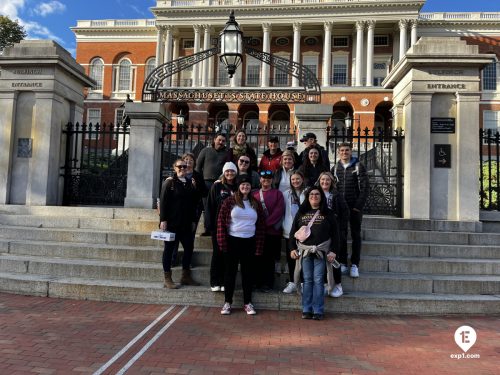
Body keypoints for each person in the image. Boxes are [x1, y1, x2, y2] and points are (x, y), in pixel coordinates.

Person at [217, 175, 265, 315]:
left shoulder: (255, 203)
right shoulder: (229, 201)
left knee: (248, 274)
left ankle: (247, 303)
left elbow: (261, 225)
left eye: (248, 185)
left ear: (251, 187)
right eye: (243, 185)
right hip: (232, 241)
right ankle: (227, 302)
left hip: (249, 241)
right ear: (238, 186)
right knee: (229, 273)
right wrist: (222, 242)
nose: (245, 187)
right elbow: (220, 222)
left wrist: (259, 246)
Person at [289, 187, 339, 320]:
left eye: (317, 194)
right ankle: (306, 309)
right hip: (305, 252)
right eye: (311, 194)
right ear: (307, 197)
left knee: (318, 280)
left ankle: (318, 310)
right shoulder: (301, 212)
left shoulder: (328, 213)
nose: (314, 196)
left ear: (322, 197)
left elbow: (336, 234)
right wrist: (292, 248)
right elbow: (292, 232)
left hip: (320, 252)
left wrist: (333, 251)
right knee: (307, 280)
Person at [159, 159, 200, 289]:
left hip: (186, 224)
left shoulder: (189, 183)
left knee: (189, 248)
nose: (183, 168)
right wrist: (163, 220)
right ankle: (167, 278)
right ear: (174, 168)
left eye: (185, 166)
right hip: (172, 223)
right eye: (180, 166)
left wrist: (194, 220)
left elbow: (194, 204)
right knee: (169, 250)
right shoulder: (169, 182)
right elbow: (163, 202)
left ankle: (185, 276)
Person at [331, 142, 370, 278]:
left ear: (351, 151)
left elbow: (365, 188)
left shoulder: (359, 166)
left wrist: (358, 206)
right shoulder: (335, 167)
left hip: (354, 207)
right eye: (342, 151)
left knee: (355, 235)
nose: (344, 153)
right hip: (340, 208)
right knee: (341, 235)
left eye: (347, 150)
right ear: (338, 152)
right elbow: (332, 187)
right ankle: (342, 262)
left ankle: (354, 264)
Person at [316, 171, 349, 298]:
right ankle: (326, 284)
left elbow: (345, 213)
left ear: (332, 182)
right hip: (320, 232)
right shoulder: (315, 194)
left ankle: (338, 285)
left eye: (327, 180)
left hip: (334, 232)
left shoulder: (336, 195)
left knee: (334, 259)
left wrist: (340, 228)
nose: (325, 182)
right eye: (323, 180)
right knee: (321, 259)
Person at [170, 152, 207, 266]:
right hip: (177, 211)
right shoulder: (177, 175)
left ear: (194, 163)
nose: (188, 162)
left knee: (190, 237)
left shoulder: (198, 176)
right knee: (175, 236)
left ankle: (188, 261)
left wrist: (196, 187)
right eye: (186, 159)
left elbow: (204, 193)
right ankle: (172, 258)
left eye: (191, 160)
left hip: (193, 211)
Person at [206, 162, 238, 292]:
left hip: (233, 227)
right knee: (217, 254)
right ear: (224, 173)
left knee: (228, 255)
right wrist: (210, 225)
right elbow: (210, 206)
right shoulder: (217, 186)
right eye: (227, 171)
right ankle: (215, 281)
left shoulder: (238, 187)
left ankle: (225, 281)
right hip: (218, 226)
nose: (230, 173)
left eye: (232, 171)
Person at [252, 170, 285, 291]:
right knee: (257, 258)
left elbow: (279, 211)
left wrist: (264, 225)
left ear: (272, 180)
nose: (266, 180)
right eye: (263, 178)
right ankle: (256, 282)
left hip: (272, 233)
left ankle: (267, 283)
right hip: (257, 233)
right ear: (260, 180)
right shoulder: (254, 194)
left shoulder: (278, 194)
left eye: (269, 178)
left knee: (269, 259)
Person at [196, 134, 229, 236]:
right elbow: (198, 167)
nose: (221, 142)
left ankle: (218, 228)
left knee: (219, 207)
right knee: (207, 207)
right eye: (219, 140)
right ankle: (208, 229)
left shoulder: (226, 153)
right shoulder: (205, 151)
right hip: (206, 183)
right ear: (214, 140)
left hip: (220, 183)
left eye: (223, 141)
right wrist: (199, 182)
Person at [282, 171, 306, 294]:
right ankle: (292, 282)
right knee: (291, 258)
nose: (295, 181)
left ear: (302, 179)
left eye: (297, 179)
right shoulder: (286, 194)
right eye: (293, 180)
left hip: (305, 232)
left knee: (304, 259)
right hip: (289, 231)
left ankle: (302, 282)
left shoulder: (307, 193)